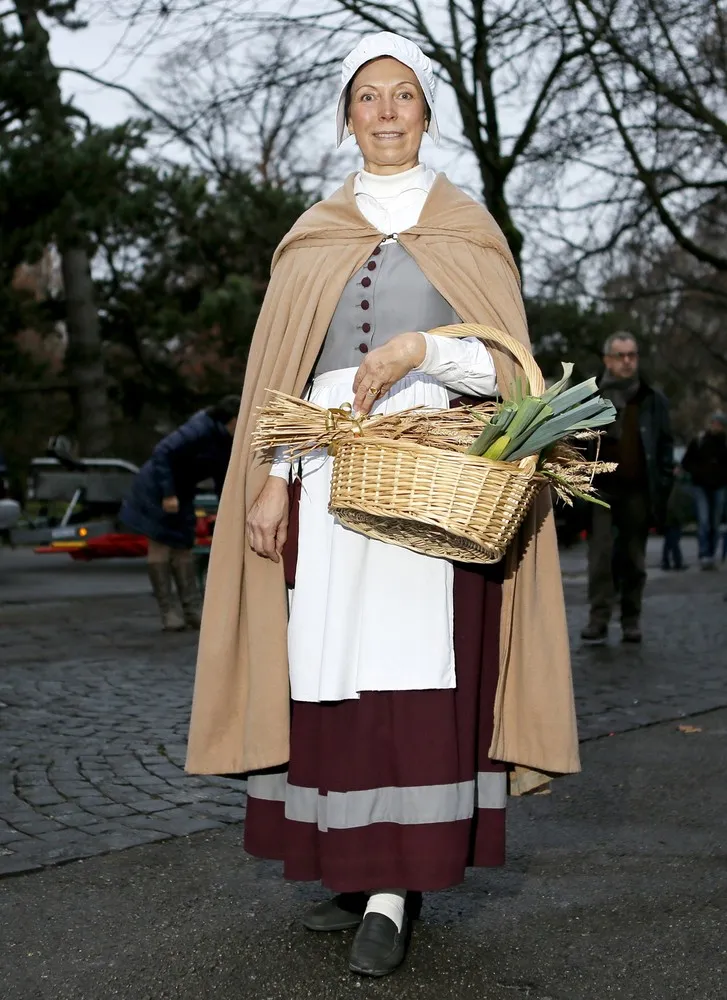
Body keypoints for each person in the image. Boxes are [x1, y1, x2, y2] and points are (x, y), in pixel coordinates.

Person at [186, 32, 579, 979]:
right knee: (329, 667)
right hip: (324, 480)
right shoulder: (312, 236)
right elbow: (282, 377)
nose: (388, 111)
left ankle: (398, 887)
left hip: (431, 476)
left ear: (427, 115)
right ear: (347, 117)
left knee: (413, 672)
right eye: (369, 96)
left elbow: (508, 368)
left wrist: (419, 353)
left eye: (403, 95)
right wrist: (273, 479)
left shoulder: (467, 230)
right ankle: (349, 868)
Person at [581, 333, 674, 645]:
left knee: (634, 560)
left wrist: (661, 486)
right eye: (620, 355)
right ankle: (599, 618)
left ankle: (631, 619)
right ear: (608, 359)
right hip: (600, 492)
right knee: (600, 558)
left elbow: (663, 447)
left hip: (637, 491)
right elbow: (574, 443)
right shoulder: (589, 397)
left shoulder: (651, 400)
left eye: (632, 355)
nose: (627, 361)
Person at [120, 395, 239, 630]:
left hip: (182, 491)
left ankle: (192, 609)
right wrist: (168, 493)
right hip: (157, 489)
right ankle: (168, 612)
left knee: (184, 545)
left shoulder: (225, 440)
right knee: (160, 545)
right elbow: (162, 452)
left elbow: (221, 476)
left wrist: (225, 508)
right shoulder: (199, 428)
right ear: (232, 418)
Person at [681, 412, 727, 570]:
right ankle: (704, 553)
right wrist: (698, 471)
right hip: (700, 485)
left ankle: (711, 553)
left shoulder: (724, 443)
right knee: (704, 520)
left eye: (719, 424)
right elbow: (686, 462)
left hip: (719, 485)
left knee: (715, 522)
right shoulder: (700, 441)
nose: (716, 427)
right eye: (714, 423)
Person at [660, 464, 692, 571]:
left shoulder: (670, 484)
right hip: (673, 517)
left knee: (669, 541)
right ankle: (675, 562)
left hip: (670, 516)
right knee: (673, 541)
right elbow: (675, 503)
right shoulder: (676, 485)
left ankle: (667, 562)